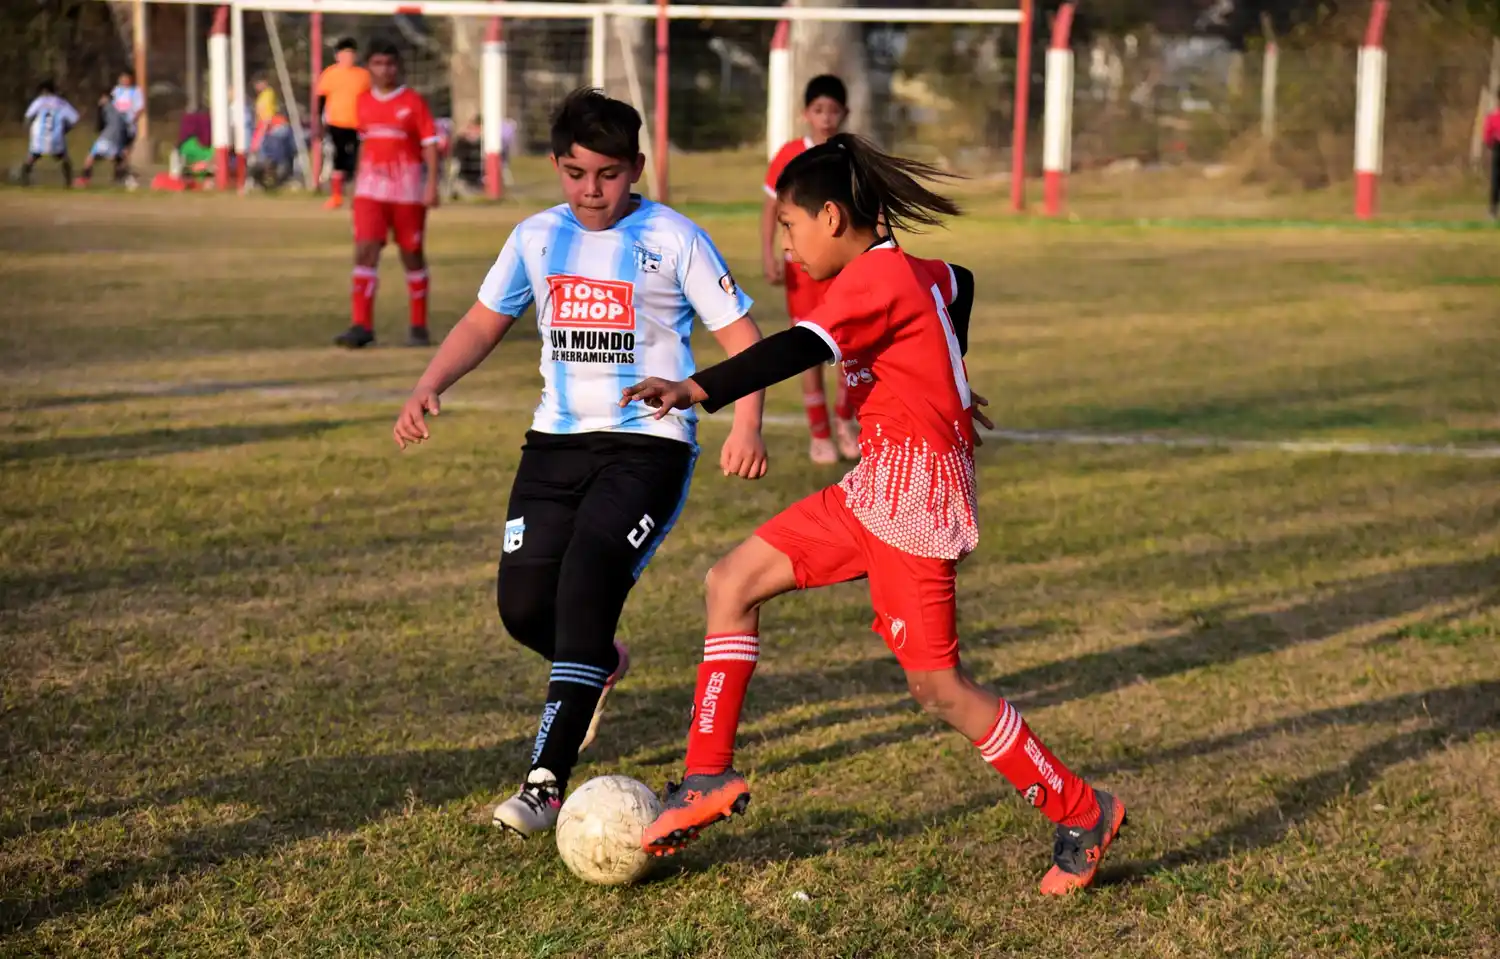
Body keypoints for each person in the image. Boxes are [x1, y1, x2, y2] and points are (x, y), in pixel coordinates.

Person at [625, 133, 1128, 896]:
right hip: (877, 484)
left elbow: (795, 347)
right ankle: (705, 776)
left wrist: (696, 388)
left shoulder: (871, 280)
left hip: (917, 497)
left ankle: (1084, 809)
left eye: (790, 226)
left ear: (831, 217)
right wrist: (950, 377)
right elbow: (959, 283)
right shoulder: (910, 270)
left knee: (939, 688)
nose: (787, 244)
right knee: (730, 581)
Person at [391, 88, 769, 838]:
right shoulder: (536, 237)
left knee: (588, 581)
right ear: (556, 167)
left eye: (606, 173)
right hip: (554, 444)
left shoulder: (675, 237)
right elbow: (483, 320)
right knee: (526, 609)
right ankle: (597, 661)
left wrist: (746, 424)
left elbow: (745, 337)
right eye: (574, 173)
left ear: (635, 167)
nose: (590, 191)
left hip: (649, 444)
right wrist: (430, 383)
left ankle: (543, 783)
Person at [762, 75, 859, 465]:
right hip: (801, 270)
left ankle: (845, 423)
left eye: (833, 111)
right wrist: (768, 254)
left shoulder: (849, 155)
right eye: (818, 110)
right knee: (809, 350)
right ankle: (819, 432)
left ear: (845, 113)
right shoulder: (789, 155)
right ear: (806, 114)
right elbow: (771, 208)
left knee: (848, 347)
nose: (826, 118)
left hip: (842, 267)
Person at [332, 41, 440, 349]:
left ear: (399, 67)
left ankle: (419, 326)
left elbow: (430, 144)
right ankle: (361, 325)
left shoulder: (413, 102)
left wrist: (431, 184)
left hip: (407, 192)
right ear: (369, 67)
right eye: (378, 63)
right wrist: (355, 185)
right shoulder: (363, 101)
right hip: (370, 191)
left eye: (390, 63)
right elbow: (365, 143)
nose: (385, 69)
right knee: (365, 249)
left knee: (411, 254)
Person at [316, 37, 372, 209]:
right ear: (337, 56)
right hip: (337, 124)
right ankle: (336, 196)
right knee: (339, 159)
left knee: (357, 161)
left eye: (351, 54)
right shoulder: (330, 74)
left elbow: (370, 100)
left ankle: (357, 196)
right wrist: (320, 122)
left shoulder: (363, 76)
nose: (347, 58)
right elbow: (321, 100)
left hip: (358, 125)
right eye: (344, 54)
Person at [21, 81, 79, 187]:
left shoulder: (39, 101)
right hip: (56, 137)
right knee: (64, 158)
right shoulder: (61, 103)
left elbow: (28, 117)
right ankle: (68, 182)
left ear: (44, 91)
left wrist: (27, 129)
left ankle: (24, 180)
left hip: (39, 137)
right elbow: (74, 119)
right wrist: (65, 129)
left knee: (32, 156)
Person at [74, 93, 132, 188]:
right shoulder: (120, 110)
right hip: (117, 139)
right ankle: (123, 178)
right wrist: (125, 143)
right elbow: (125, 127)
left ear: (105, 98)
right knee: (115, 158)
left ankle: (84, 180)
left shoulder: (105, 107)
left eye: (101, 98)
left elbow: (99, 125)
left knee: (90, 157)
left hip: (107, 137)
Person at [110, 71, 145, 165]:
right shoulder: (116, 91)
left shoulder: (136, 91)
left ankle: (123, 168)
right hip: (117, 124)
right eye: (123, 78)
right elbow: (112, 105)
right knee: (116, 148)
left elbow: (140, 108)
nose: (124, 80)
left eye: (127, 78)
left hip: (129, 125)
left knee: (126, 149)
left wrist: (133, 119)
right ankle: (118, 169)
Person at [1484, 91, 1500, 221]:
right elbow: (1488, 136)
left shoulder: (1493, 116)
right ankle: (1493, 210)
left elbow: (1488, 136)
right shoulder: (1493, 117)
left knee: (1496, 179)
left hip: (1496, 147)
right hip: (1497, 148)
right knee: (1496, 179)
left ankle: (1493, 210)